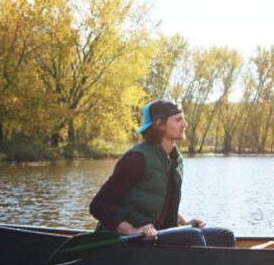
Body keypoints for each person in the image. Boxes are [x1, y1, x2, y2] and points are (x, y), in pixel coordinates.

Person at [89, 99, 236, 247]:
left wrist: (185, 222)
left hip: (159, 235)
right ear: (160, 124)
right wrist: (132, 230)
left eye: (183, 119)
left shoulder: (174, 159)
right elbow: (99, 205)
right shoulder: (137, 160)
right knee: (194, 237)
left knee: (224, 236)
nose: (185, 125)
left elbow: (160, 201)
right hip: (132, 240)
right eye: (178, 120)